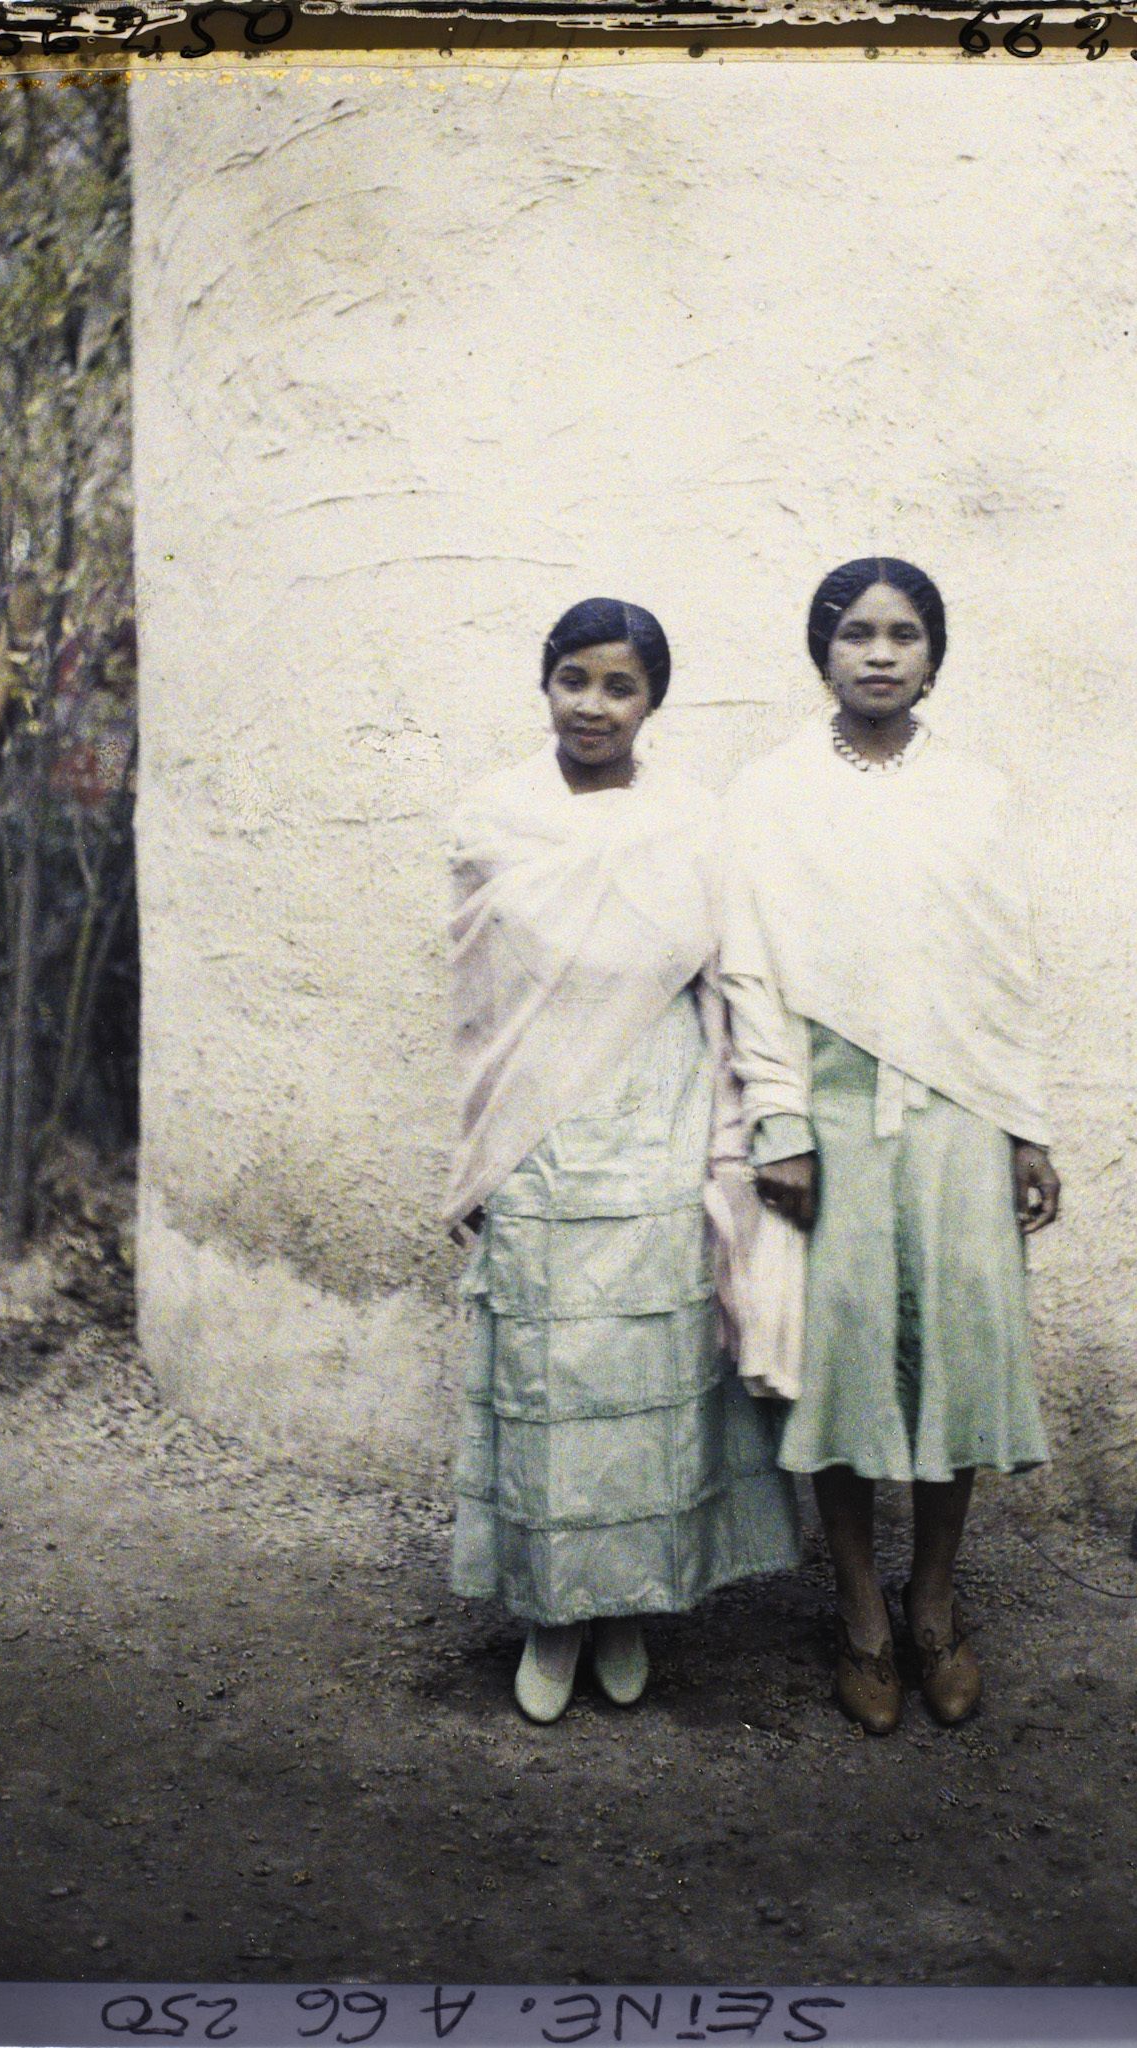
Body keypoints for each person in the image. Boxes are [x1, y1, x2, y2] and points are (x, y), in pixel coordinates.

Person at [444, 597, 801, 1725]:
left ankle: (629, 1606)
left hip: (657, 1116)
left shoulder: (694, 822)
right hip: (541, 1132)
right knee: (552, 1376)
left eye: (619, 686)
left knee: (647, 1375)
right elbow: (481, 1010)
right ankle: (554, 1612)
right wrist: (481, 1152)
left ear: (653, 701)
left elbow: (734, 974)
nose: (593, 704)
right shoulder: (496, 817)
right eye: (574, 680)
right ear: (544, 683)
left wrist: (757, 1130)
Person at [720, 557, 1059, 1736]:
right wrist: (780, 1122)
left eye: (903, 633)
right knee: (849, 1352)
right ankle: (860, 1612)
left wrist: (1024, 1123)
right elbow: (749, 964)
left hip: (958, 1105)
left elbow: (1004, 964)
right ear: (821, 649)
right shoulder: (768, 792)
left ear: (933, 653)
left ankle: (934, 1603)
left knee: (955, 1348)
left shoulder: (978, 791)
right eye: (854, 631)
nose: (878, 652)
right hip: (830, 1102)